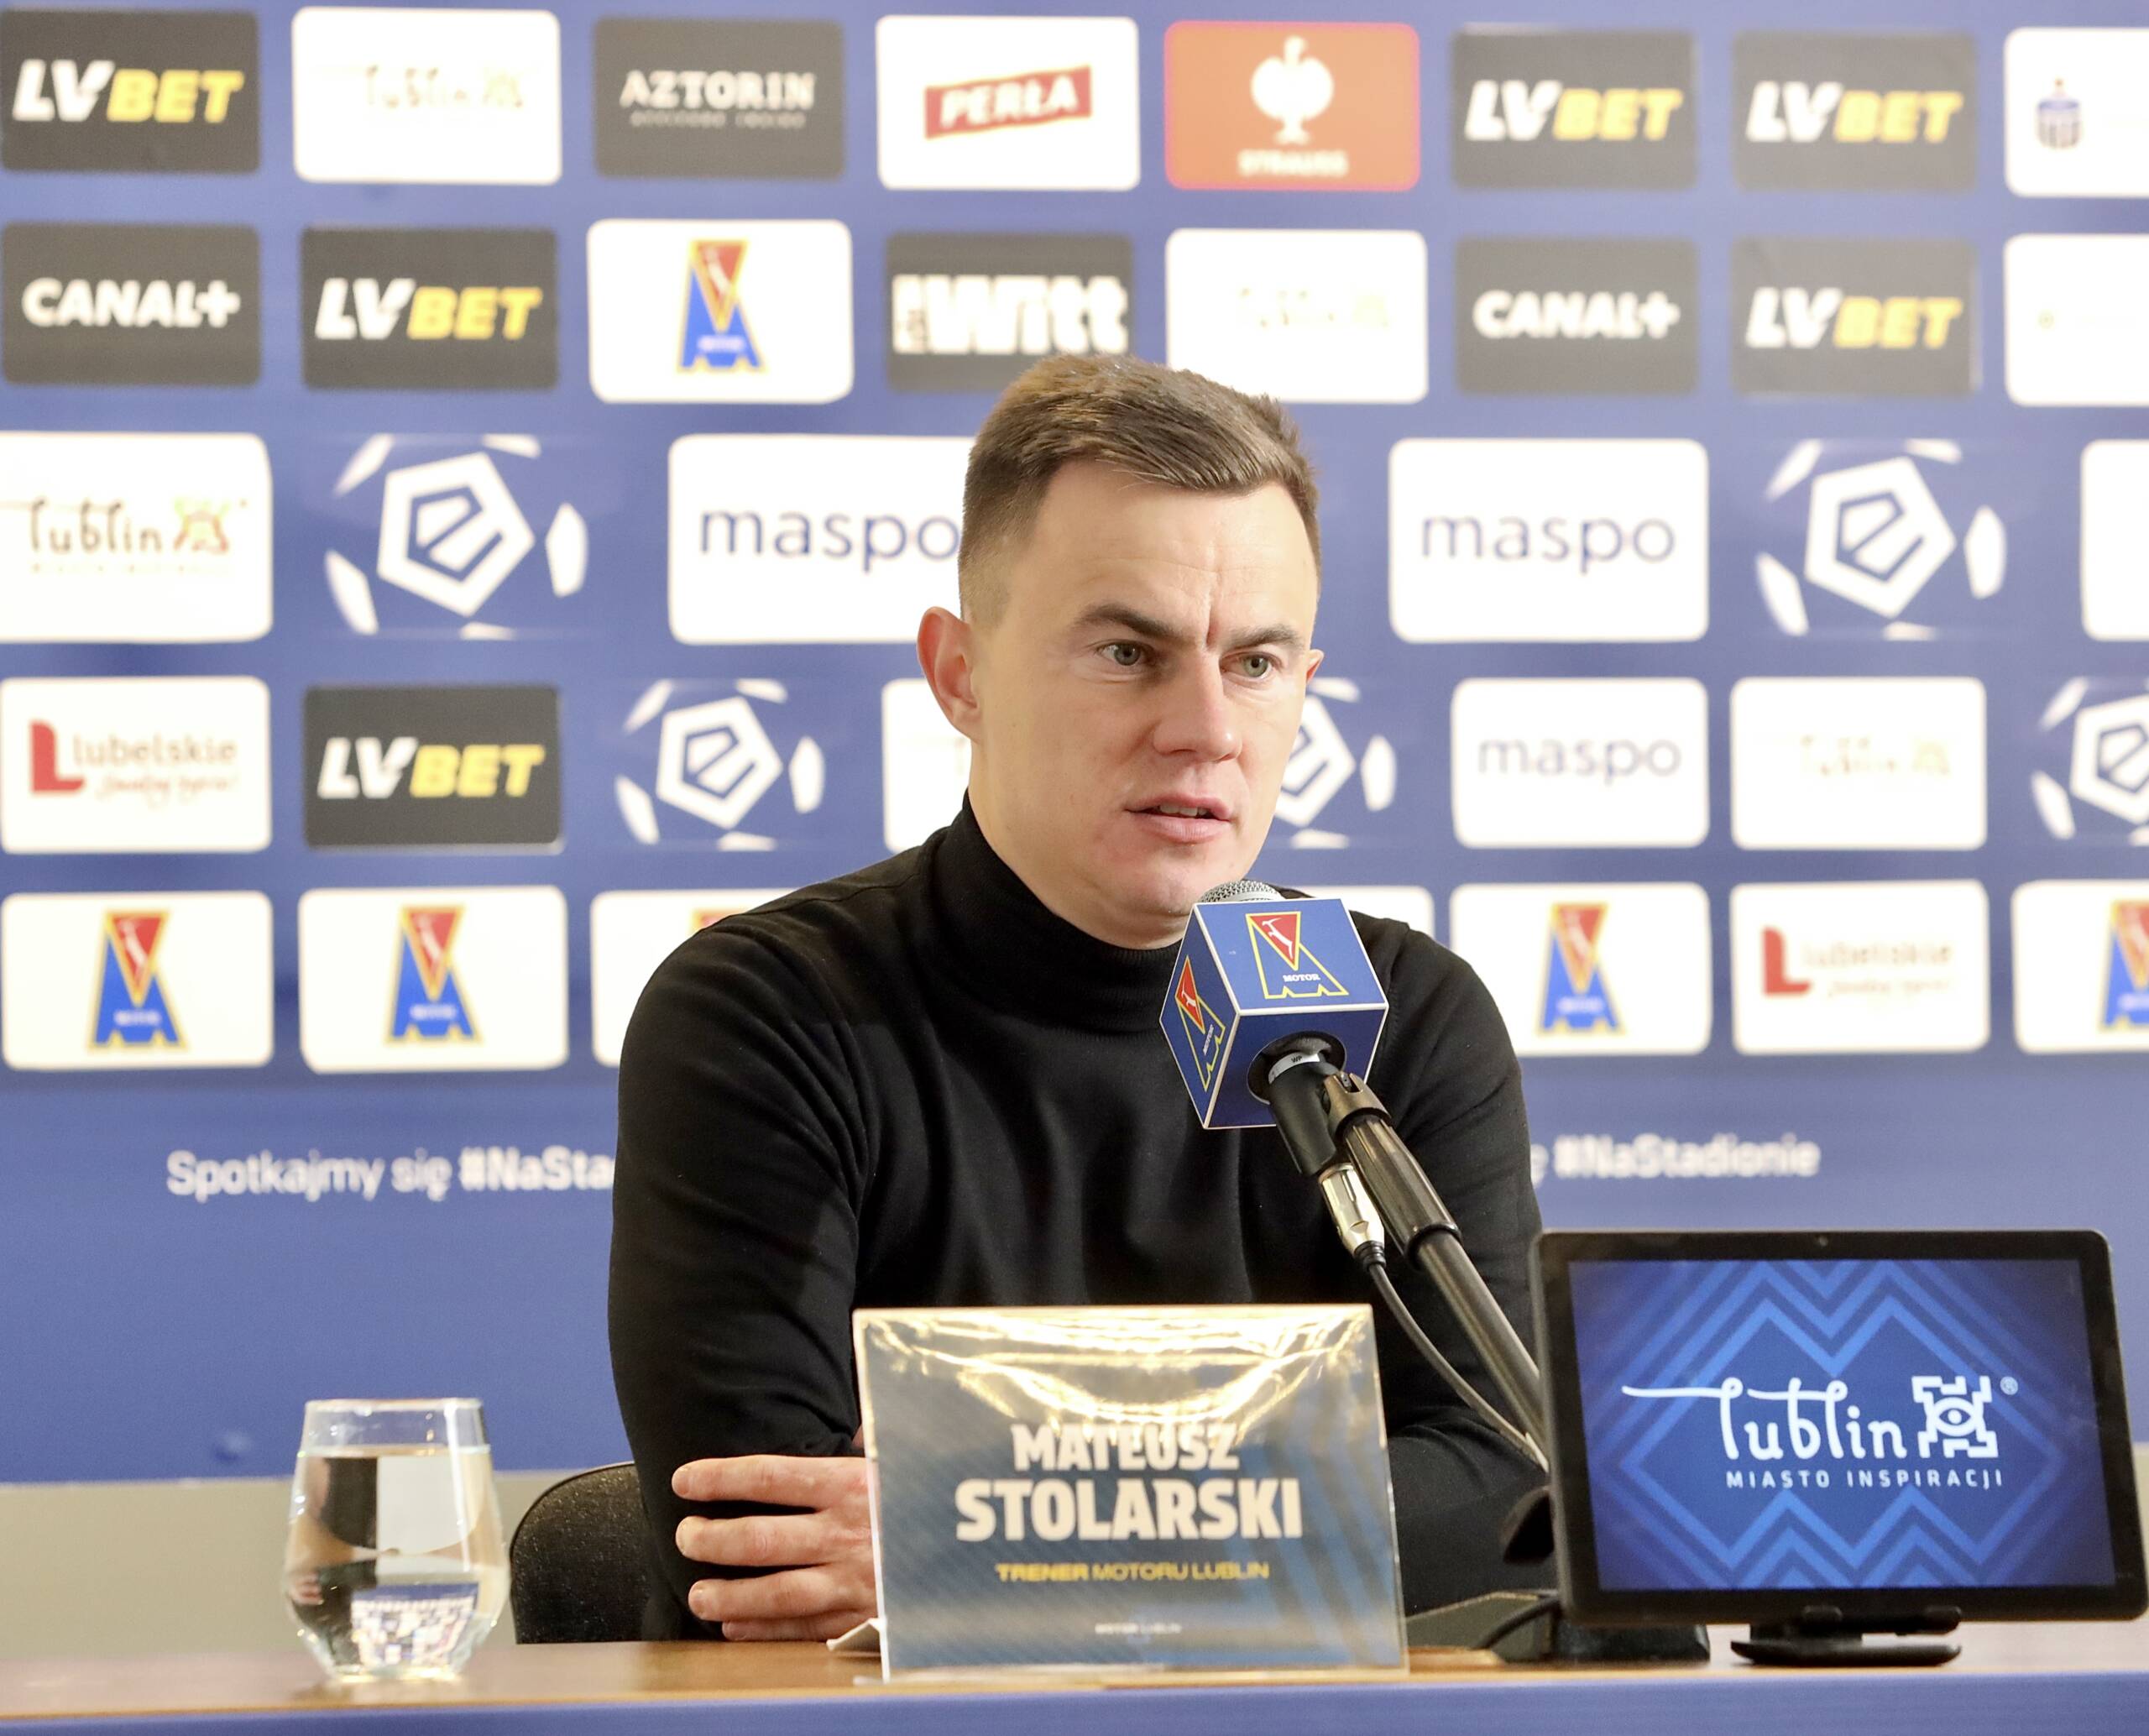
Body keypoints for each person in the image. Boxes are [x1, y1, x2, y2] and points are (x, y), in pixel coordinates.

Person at [609, 354, 1545, 1641]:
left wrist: (988, 1539)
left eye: (1256, 662)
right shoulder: (767, 1014)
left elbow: (1508, 1491)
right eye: (1127, 651)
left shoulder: (1407, 1018)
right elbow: (762, 1556)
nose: (1207, 728)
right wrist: (1299, 1525)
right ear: (961, 674)